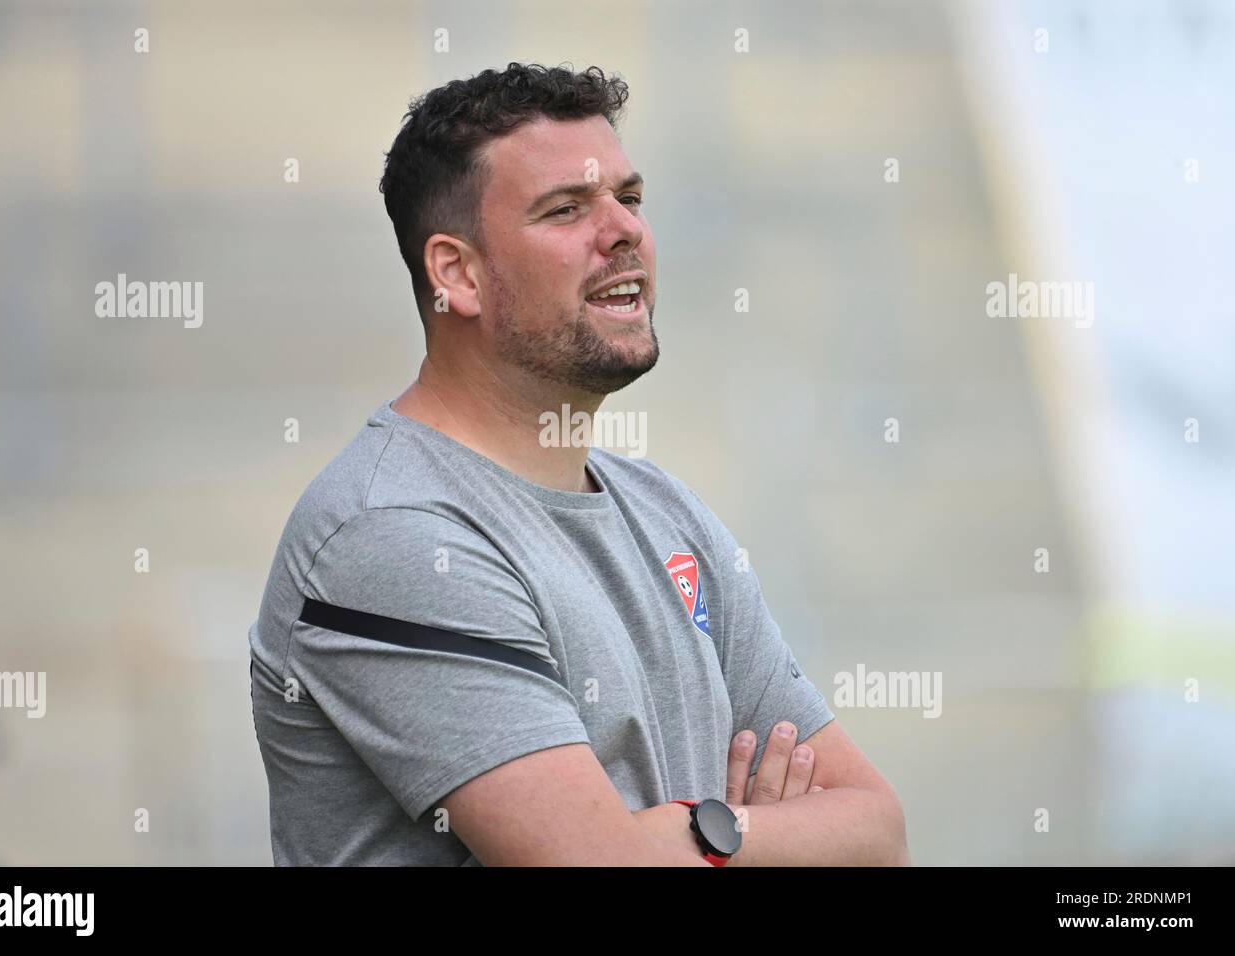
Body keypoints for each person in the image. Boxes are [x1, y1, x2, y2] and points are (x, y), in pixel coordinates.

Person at [249, 62, 908, 866]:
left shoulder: (669, 511)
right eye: (566, 210)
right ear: (457, 274)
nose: (624, 231)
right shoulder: (394, 533)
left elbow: (877, 831)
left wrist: (697, 838)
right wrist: (748, 839)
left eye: (628, 200)